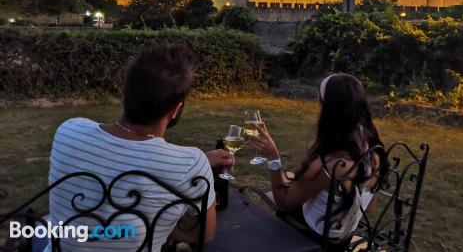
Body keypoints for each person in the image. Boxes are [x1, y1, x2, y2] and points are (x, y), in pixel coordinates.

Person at [45, 44, 233, 251]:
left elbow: (117, 161)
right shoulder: (191, 165)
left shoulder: (69, 130)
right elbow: (201, 235)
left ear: (125, 92)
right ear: (175, 109)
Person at [246, 73, 385, 249]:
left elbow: (284, 202)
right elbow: (370, 206)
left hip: (316, 238)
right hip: (343, 231)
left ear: (328, 110)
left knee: (269, 198)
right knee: (289, 176)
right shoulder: (373, 148)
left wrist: (273, 158)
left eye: (320, 101)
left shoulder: (330, 164)